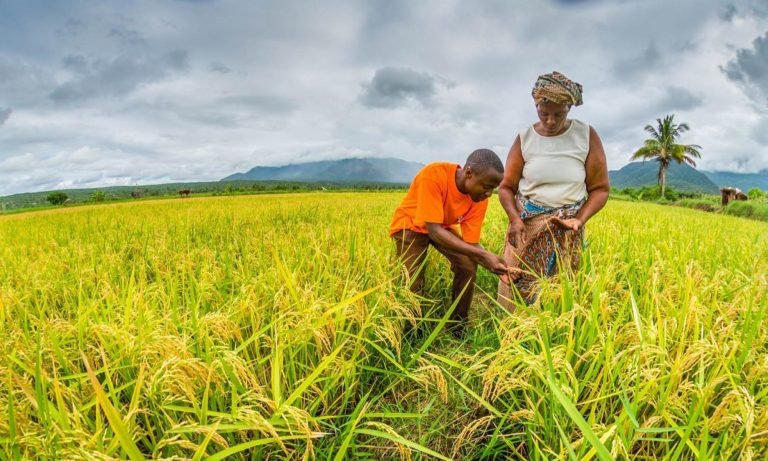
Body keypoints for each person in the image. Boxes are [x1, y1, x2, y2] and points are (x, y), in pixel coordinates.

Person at [497, 71, 609, 309]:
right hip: (527, 224)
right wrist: (514, 219)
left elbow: (600, 189)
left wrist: (579, 219)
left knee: (560, 290)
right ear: (535, 104)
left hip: (567, 226)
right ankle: (510, 333)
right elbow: (506, 187)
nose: (550, 120)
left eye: (558, 114)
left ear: (569, 107)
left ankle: (553, 336)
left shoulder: (586, 136)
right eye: (543, 112)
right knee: (517, 284)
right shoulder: (524, 138)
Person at [390, 149, 510, 334]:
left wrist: (496, 264)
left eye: (492, 189)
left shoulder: (478, 199)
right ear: (469, 173)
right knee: (413, 280)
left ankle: (458, 325)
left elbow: (471, 244)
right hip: (410, 225)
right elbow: (434, 230)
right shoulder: (433, 175)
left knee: (468, 264)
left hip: (441, 226)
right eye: (486, 187)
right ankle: (411, 331)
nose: (488, 194)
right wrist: (483, 255)